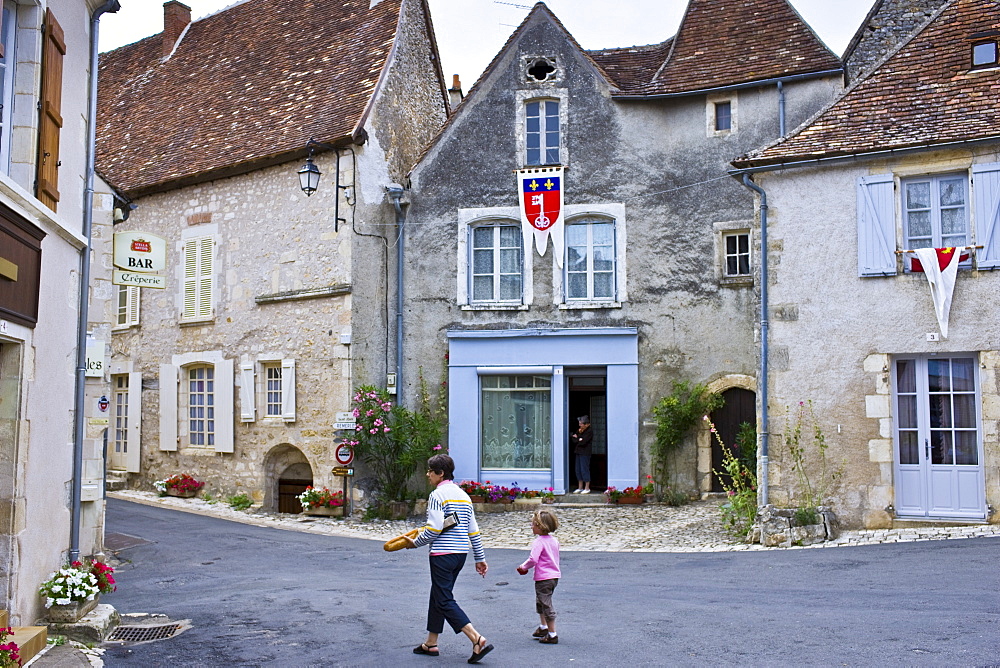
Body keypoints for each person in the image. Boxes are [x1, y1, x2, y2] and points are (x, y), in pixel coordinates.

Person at [408, 454, 494, 664]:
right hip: (460, 554)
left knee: (444, 599)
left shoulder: (437, 495)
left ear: (440, 473)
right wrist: (480, 558)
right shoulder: (463, 495)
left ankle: (476, 639)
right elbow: (473, 530)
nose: (428, 474)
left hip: (442, 554)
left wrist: (414, 542)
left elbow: (434, 529)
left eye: (430, 471)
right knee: (438, 594)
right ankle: (431, 643)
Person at [516, 508, 561, 644]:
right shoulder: (554, 541)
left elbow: (533, 559)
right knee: (541, 601)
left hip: (543, 578)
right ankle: (543, 627)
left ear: (541, 527)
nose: (531, 526)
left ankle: (552, 634)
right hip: (554, 576)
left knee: (546, 604)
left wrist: (523, 567)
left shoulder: (539, 542)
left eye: (534, 524)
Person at [569, 415, 593, 494]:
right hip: (578, 451)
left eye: (581, 423)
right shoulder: (579, 430)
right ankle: (580, 487)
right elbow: (574, 439)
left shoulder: (589, 431)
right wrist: (578, 438)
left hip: (585, 452)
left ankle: (587, 487)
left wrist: (578, 438)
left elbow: (583, 442)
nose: (579, 425)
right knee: (578, 469)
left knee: (584, 469)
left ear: (586, 424)